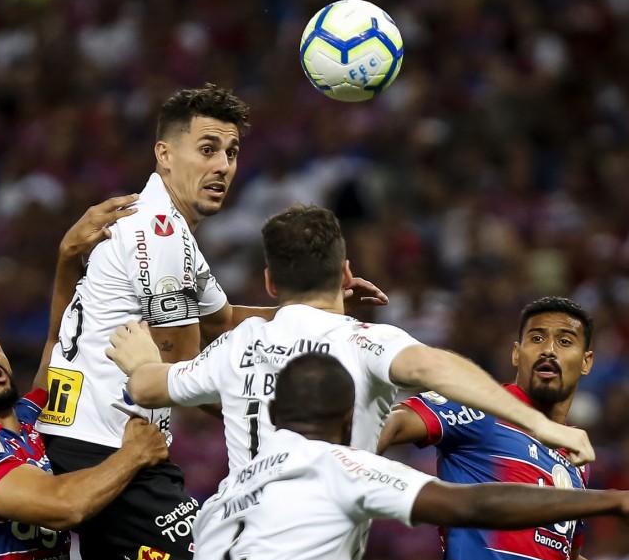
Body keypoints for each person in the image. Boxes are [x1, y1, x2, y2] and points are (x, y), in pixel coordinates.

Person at [34, 84, 387, 560]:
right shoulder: (158, 238)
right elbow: (182, 373)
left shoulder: (164, 228)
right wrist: (291, 424)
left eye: (231, 152)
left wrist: (318, 305)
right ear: (165, 154)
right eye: (207, 150)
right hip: (110, 448)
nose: (223, 165)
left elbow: (220, 320)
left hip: (92, 440)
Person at [106, 205, 594, 480]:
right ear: (346, 273)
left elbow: (149, 387)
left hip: (229, 547)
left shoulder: (242, 342)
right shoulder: (370, 342)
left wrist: (139, 357)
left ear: (271, 282)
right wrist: (542, 426)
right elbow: (433, 369)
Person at [185, 352, 629, 560]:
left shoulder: (223, 496)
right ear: (347, 421)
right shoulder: (339, 465)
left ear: (274, 416)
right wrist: (616, 499)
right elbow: (474, 503)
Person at [0, 196, 171, 560]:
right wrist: (133, 454)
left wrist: (68, 254)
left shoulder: (31, 418)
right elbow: (63, 507)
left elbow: (60, 339)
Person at [377, 296, 624, 560]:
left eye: (565, 342)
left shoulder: (576, 458)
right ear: (516, 354)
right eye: (536, 338)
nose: (549, 350)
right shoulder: (481, 407)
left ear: (586, 362)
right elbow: (393, 422)